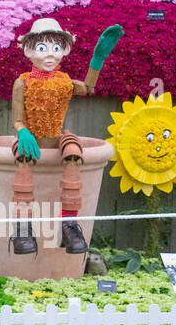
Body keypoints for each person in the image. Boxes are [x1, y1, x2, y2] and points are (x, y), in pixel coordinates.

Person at [9, 18, 122, 255]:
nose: (50, 54)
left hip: (56, 137)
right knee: (22, 159)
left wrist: (97, 60)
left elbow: (88, 88)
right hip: (32, 139)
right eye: (42, 48)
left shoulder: (64, 81)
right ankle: (22, 229)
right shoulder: (23, 82)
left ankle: (69, 226)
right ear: (29, 51)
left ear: (65, 50)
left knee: (72, 153)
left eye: (56, 47)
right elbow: (17, 118)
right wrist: (22, 131)